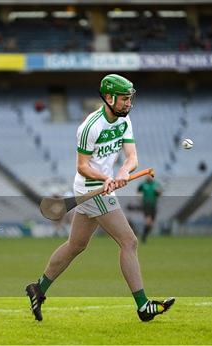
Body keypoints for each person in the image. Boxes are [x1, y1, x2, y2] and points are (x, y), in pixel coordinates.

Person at [25, 74, 175, 322]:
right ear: (109, 97)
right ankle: (143, 306)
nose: (128, 103)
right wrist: (105, 179)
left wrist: (123, 173)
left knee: (76, 245)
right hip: (90, 189)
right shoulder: (90, 127)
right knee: (129, 241)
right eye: (124, 99)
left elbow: (132, 157)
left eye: (130, 98)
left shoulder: (125, 122)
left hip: (105, 187)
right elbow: (82, 166)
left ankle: (38, 288)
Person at [137, 175, 162, 243]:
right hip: (146, 205)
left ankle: (144, 236)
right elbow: (138, 192)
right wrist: (139, 199)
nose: (149, 177)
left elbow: (160, 193)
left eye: (150, 176)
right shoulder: (143, 184)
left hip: (153, 205)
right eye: (148, 176)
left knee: (151, 224)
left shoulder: (156, 184)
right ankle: (143, 238)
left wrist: (158, 192)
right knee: (148, 221)